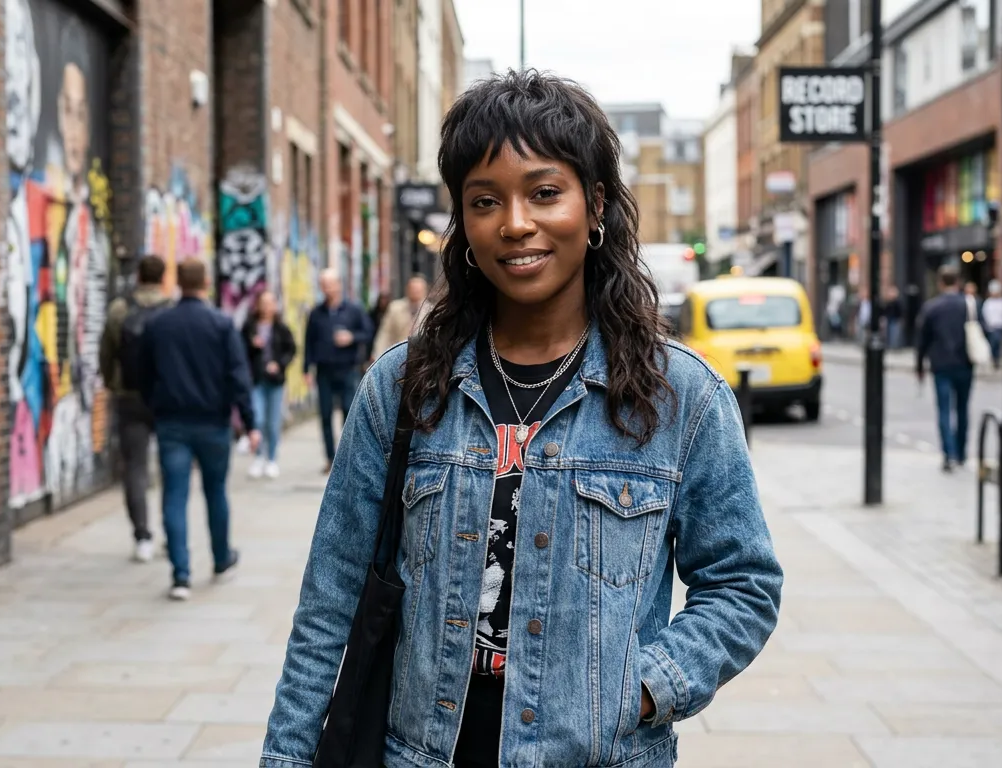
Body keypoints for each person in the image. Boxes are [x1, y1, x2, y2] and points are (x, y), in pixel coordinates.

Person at [262, 70, 783, 768]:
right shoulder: (405, 385)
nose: (515, 223)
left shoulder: (677, 396)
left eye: (544, 192)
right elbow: (331, 598)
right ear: (464, 223)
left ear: (595, 205)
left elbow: (743, 584)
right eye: (485, 200)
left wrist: (640, 689)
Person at [137, 259, 258, 601]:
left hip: (172, 422)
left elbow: (143, 375)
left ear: (178, 282)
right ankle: (221, 561)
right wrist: (250, 423)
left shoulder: (159, 324)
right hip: (213, 423)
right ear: (206, 281)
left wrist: (155, 407)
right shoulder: (221, 324)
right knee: (215, 492)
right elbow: (238, 376)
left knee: (174, 495)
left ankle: (181, 575)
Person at [98, 255, 173, 562]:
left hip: (129, 397)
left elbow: (106, 353)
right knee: (172, 468)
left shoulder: (119, 309)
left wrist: (113, 384)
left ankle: (142, 536)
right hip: (166, 399)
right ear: (162, 276)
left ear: (139, 276)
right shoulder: (171, 311)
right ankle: (172, 533)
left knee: (136, 468)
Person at [304, 268, 374, 474]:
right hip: (324, 370)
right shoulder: (316, 313)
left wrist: (351, 337)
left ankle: (347, 459)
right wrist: (306, 369)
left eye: (330, 284)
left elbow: (368, 332)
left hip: (347, 368)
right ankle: (330, 459)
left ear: (339, 285)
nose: (327, 289)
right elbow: (309, 342)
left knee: (348, 413)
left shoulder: (353, 310)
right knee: (325, 415)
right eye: (323, 285)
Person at [915, 265, 974, 472]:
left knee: (944, 411)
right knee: (963, 410)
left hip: (941, 365)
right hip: (965, 364)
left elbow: (922, 340)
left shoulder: (932, 307)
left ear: (940, 283)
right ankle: (961, 454)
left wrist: (919, 365)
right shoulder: (968, 306)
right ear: (957, 282)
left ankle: (948, 454)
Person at [240, 292, 297, 479]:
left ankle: (271, 459)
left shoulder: (281, 328)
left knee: (273, 423)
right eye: (263, 303)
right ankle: (257, 458)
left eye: (269, 303)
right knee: (257, 419)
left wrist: (279, 364)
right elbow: (239, 349)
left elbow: (291, 349)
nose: (266, 307)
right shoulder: (250, 327)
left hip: (275, 381)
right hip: (256, 380)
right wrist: (252, 345)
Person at [372, 274, 431, 356]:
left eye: (418, 290)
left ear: (425, 291)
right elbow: (385, 333)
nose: (415, 292)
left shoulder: (430, 310)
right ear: (407, 289)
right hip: (397, 353)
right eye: (413, 289)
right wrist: (377, 354)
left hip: (421, 356)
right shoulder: (395, 307)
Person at [981, 280, 1002, 369]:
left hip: (1000, 326)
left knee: (999, 343)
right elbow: (985, 314)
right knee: (993, 344)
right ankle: (994, 359)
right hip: (991, 327)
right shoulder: (988, 303)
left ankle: (997, 359)